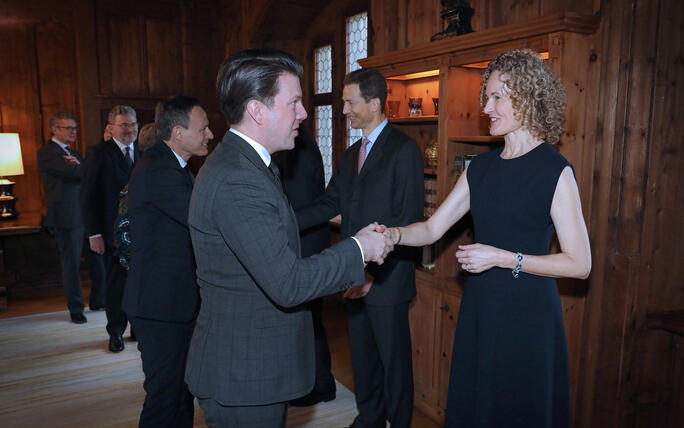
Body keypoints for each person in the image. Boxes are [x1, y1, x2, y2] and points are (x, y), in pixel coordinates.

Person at [380, 49, 592, 427]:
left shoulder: (555, 171)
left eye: (497, 97)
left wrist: (505, 258)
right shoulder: (481, 168)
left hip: (529, 315)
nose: (486, 107)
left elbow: (580, 263)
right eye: (486, 97)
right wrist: (392, 234)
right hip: (483, 307)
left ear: (527, 99)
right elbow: (431, 229)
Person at [184, 48, 393, 428]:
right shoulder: (238, 178)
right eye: (294, 102)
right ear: (257, 110)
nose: (303, 113)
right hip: (244, 376)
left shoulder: (249, 164)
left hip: (252, 368)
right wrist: (360, 248)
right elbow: (289, 283)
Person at [295, 67, 424, 428]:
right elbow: (328, 203)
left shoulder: (404, 151)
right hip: (355, 276)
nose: (344, 110)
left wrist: (371, 273)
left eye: (350, 102)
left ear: (375, 103)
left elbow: (408, 220)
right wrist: (282, 221)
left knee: (393, 363)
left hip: (388, 281)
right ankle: (368, 418)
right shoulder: (352, 154)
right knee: (364, 359)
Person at [122, 96, 213, 427]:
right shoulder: (159, 169)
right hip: (159, 304)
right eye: (203, 128)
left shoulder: (174, 165)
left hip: (173, 300)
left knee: (180, 392)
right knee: (164, 396)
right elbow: (203, 218)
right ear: (178, 132)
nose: (210, 134)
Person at [273, 124, 336, 407]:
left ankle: (319, 385)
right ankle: (316, 383)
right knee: (308, 320)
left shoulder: (299, 148)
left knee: (309, 321)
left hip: (305, 243)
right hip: (306, 241)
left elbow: (297, 204)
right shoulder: (298, 143)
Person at [81, 105, 141, 353]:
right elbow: (88, 196)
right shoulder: (98, 153)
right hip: (111, 235)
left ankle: (138, 329)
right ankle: (115, 332)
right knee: (116, 287)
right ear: (111, 128)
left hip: (142, 233)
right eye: (124, 124)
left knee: (140, 283)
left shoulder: (146, 151)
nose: (130, 129)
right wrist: (93, 233)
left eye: (133, 123)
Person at [36, 111, 106, 323]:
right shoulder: (47, 152)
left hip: (86, 215)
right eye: (69, 128)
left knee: (98, 260)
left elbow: (88, 176)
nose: (74, 132)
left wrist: (80, 166)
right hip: (66, 217)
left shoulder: (74, 154)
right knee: (71, 264)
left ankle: (98, 300)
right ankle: (76, 309)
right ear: (54, 130)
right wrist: (80, 168)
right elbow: (77, 174)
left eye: (75, 128)